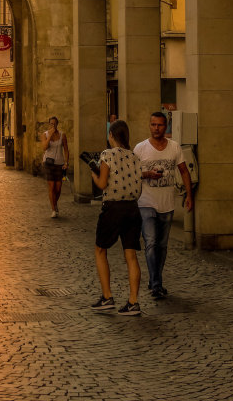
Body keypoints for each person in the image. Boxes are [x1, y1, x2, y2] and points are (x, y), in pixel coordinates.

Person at [134, 111, 193, 299]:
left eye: (159, 125)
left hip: (167, 203)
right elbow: (132, 174)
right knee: (150, 243)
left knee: (162, 245)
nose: (156, 128)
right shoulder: (140, 148)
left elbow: (184, 171)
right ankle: (156, 284)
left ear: (165, 126)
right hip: (146, 202)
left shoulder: (174, 147)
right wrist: (147, 174)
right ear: (149, 125)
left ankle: (155, 280)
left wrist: (188, 195)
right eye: (153, 125)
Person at [89, 119, 142, 316]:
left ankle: (107, 297)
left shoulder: (107, 154)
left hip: (113, 208)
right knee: (131, 254)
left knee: (100, 249)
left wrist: (94, 174)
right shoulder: (135, 156)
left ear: (111, 135)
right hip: (132, 208)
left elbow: (103, 183)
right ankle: (133, 302)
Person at [41, 116, 69, 218]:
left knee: (58, 187)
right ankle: (53, 209)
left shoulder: (62, 135)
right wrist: (50, 136)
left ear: (57, 124)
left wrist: (66, 162)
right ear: (49, 124)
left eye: (55, 123)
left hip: (59, 163)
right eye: (51, 124)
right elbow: (44, 147)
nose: (53, 125)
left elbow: (66, 149)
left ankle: (55, 204)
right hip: (48, 163)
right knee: (51, 186)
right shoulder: (45, 135)